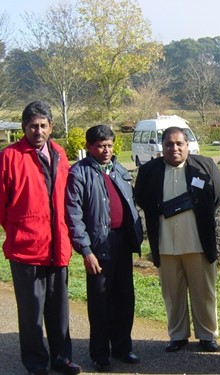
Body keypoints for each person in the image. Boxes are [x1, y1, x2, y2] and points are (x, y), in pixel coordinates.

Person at [0, 101, 81, 375]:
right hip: (26, 248)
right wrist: (18, 230)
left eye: (43, 125)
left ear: (51, 127)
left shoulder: (59, 153)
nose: (38, 131)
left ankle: (62, 358)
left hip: (58, 246)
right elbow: (2, 204)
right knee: (32, 311)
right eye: (32, 126)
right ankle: (35, 362)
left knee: (59, 310)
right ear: (24, 127)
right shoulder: (9, 156)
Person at [135, 126, 220, 353]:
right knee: (172, 293)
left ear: (187, 145)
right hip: (165, 243)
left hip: (197, 242)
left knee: (203, 292)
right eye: (168, 144)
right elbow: (142, 199)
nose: (174, 148)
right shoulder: (149, 171)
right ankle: (177, 335)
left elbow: (218, 196)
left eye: (179, 144)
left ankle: (207, 335)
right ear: (162, 146)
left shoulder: (204, 165)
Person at [65, 125, 143, 372]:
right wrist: (86, 250)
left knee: (124, 297)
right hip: (98, 245)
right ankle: (100, 354)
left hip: (122, 242)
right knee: (100, 301)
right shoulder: (79, 173)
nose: (106, 150)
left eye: (109, 145)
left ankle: (122, 347)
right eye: (100, 145)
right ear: (89, 147)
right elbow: (73, 215)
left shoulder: (119, 170)